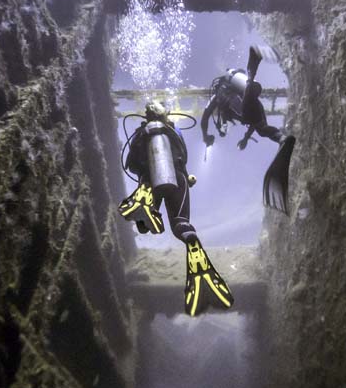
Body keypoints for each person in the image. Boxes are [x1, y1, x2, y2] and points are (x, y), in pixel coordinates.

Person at [119, 101, 233, 316]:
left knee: (143, 226)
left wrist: (146, 170)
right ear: (167, 113)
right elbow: (183, 157)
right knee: (181, 224)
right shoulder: (174, 130)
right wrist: (185, 176)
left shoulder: (140, 133)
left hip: (150, 181)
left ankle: (144, 210)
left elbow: (130, 165)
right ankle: (193, 246)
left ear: (146, 115)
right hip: (178, 178)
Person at [201, 46, 296, 214]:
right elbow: (251, 123)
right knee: (262, 129)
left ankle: (253, 64)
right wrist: (245, 138)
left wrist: (205, 136)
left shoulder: (218, 95)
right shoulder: (231, 94)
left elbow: (204, 117)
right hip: (253, 105)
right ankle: (281, 138)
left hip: (247, 102)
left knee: (248, 106)